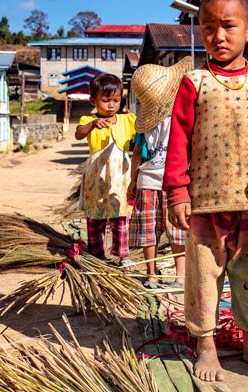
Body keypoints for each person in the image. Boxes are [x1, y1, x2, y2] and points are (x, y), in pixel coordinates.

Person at [163, 0, 248, 382]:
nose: (218, 36)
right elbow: (179, 140)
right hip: (204, 203)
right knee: (204, 276)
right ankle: (206, 345)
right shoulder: (194, 82)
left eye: (228, 26)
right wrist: (176, 192)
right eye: (208, 28)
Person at [127, 58, 192, 289]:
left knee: (149, 231)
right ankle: (180, 275)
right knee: (177, 230)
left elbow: (136, 154)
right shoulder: (182, 120)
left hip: (148, 180)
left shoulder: (147, 126)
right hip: (172, 183)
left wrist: (133, 180)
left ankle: (152, 273)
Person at [75, 73, 136, 260]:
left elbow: (141, 136)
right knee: (95, 216)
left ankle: (122, 256)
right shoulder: (88, 120)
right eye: (106, 100)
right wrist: (93, 124)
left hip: (120, 176)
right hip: (96, 176)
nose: (111, 105)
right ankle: (97, 255)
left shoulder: (128, 120)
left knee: (120, 215)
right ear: (93, 100)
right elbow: (78, 134)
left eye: (116, 100)